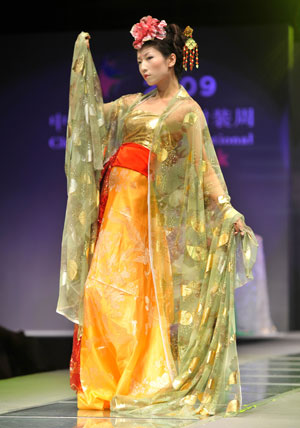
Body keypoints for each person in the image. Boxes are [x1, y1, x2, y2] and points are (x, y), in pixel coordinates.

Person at [56, 16, 258, 419]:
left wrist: (228, 209)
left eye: (150, 58)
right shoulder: (132, 103)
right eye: (140, 61)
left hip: (147, 217)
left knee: (140, 300)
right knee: (99, 290)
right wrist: (83, 63)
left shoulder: (187, 111)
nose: (144, 67)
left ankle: (139, 381)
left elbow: (203, 168)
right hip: (117, 210)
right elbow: (92, 116)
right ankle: (104, 384)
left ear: (170, 59)